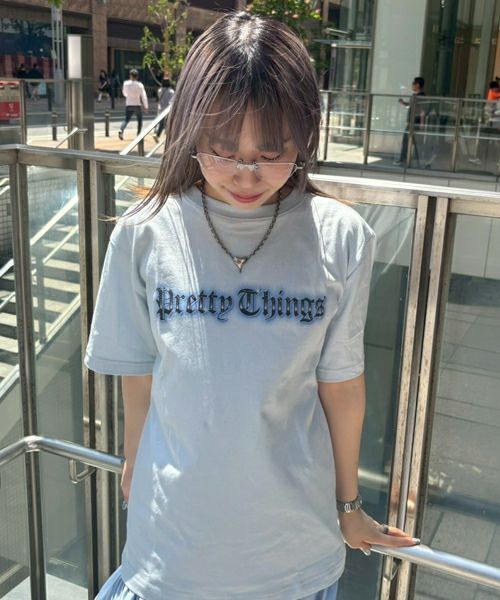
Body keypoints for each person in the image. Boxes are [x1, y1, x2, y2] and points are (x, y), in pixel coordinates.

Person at [85, 12, 419, 600]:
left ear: (304, 137)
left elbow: (341, 387)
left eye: (271, 152)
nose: (245, 174)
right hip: (171, 553)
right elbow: (139, 373)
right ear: (188, 131)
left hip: (295, 560)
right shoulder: (143, 232)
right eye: (220, 150)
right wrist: (133, 462)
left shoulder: (341, 236)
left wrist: (348, 507)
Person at [394, 76, 427, 166]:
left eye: (413, 83)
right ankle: (407, 160)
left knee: (415, 142)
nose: (412, 85)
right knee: (408, 141)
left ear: (418, 85)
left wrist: (422, 124)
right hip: (411, 122)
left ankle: (414, 160)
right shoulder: (414, 95)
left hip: (415, 122)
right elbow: (411, 106)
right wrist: (403, 103)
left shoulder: (421, 97)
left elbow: (423, 111)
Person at [118, 69, 148, 140]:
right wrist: (146, 106)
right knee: (139, 120)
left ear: (130, 76)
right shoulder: (140, 85)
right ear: (137, 76)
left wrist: (129, 96)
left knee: (126, 119)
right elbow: (143, 96)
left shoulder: (126, 83)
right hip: (137, 104)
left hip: (129, 103)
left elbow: (124, 93)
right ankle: (138, 135)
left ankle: (121, 130)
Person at [152, 78, 174, 143]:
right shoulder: (171, 91)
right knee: (169, 123)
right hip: (168, 109)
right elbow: (172, 100)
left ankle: (157, 135)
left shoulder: (159, 90)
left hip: (161, 109)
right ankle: (168, 136)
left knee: (161, 123)